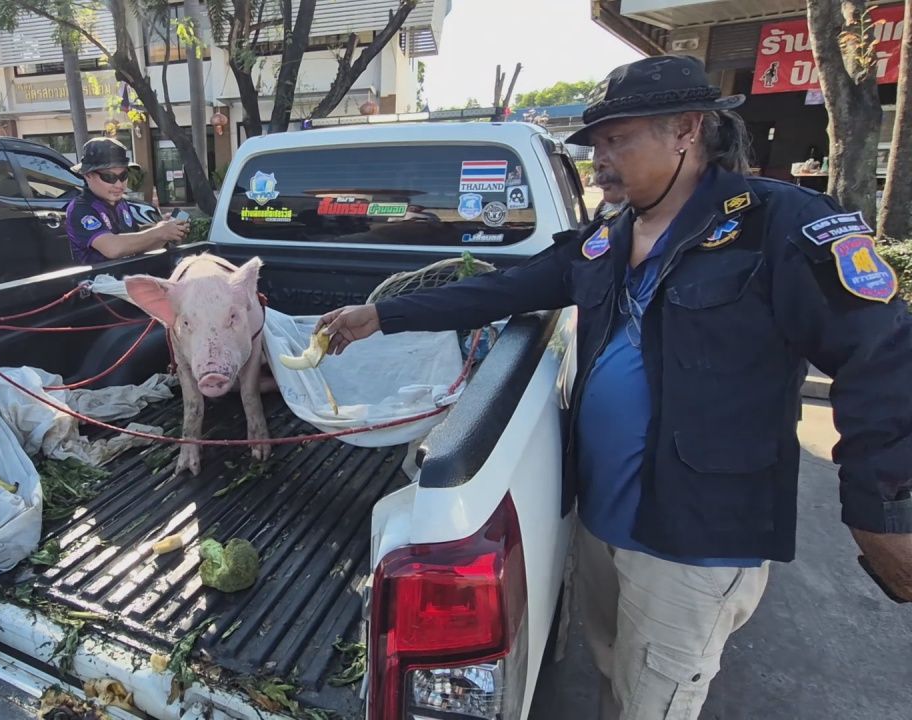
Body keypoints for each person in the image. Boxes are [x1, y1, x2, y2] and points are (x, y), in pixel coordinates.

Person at [317, 56, 912, 719]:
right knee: (613, 672)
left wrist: (882, 511)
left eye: (616, 139)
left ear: (686, 129)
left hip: (693, 538)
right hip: (603, 521)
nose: (599, 158)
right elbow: (507, 288)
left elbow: (882, 356)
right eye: (594, 143)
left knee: (654, 698)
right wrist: (383, 315)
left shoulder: (778, 225)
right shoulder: (609, 235)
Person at [65, 137, 188, 264]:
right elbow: (113, 248)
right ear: (88, 175)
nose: (119, 185)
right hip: (99, 281)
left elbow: (138, 247)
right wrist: (158, 232)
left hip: (131, 277)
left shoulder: (121, 203)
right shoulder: (80, 208)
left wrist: (167, 233)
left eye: (123, 176)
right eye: (109, 177)